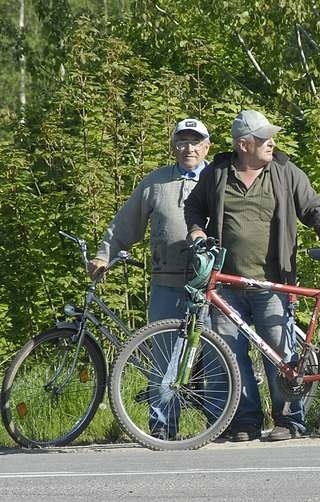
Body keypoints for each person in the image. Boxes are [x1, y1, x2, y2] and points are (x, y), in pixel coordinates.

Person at [184, 109, 320, 442]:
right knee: (230, 354)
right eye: (265, 138)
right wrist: (195, 229)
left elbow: (313, 206)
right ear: (244, 144)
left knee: (279, 352)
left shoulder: (283, 170)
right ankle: (245, 422)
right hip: (227, 283)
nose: (271, 143)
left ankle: (289, 420)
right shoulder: (218, 173)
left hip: (273, 280)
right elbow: (193, 206)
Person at [88, 118, 212, 439]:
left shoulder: (218, 180)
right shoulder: (155, 183)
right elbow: (125, 224)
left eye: (196, 141)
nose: (189, 148)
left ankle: (223, 424)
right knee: (163, 356)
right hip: (166, 283)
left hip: (213, 285)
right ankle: (163, 427)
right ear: (173, 147)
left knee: (216, 354)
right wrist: (104, 254)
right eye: (182, 141)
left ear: (207, 147)